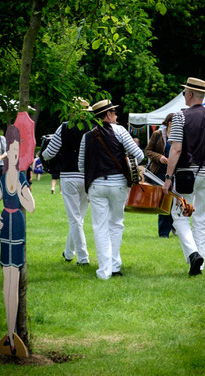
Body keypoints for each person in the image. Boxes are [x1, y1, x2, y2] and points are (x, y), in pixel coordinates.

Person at [162, 77, 205, 276]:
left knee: (179, 216)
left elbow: (176, 149)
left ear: (190, 94)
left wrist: (167, 177)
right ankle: (199, 266)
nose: (183, 96)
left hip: (184, 175)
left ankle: (192, 254)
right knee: (201, 219)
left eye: (184, 93)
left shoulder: (181, 116)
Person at [78, 99, 144, 280]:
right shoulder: (121, 131)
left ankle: (104, 271)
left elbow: (81, 166)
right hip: (118, 185)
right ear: (108, 115)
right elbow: (140, 155)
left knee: (100, 227)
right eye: (114, 113)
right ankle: (114, 267)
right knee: (116, 224)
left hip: (96, 185)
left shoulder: (87, 136)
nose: (116, 116)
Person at [0, 125, 35, 356]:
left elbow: (31, 206)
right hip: (5, 229)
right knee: (6, 281)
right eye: (12, 151)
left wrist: (20, 193)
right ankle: (9, 333)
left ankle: (12, 335)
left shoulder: (19, 177)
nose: (15, 155)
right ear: (7, 152)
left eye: (18, 151)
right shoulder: (2, 177)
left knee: (14, 280)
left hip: (17, 227)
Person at [42, 98, 92, 265]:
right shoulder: (93, 127)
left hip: (69, 175)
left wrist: (42, 157)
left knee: (75, 219)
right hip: (88, 177)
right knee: (79, 217)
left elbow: (50, 152)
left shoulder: (63, 127)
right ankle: (69, 253)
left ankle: (83, 258)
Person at [145, 114, 174, 238]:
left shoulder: (180, 136)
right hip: (160, 172)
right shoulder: (157, 134)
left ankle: (175, 227)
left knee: (175, 203)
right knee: (165, 201)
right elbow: (148, 151)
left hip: (175, 172)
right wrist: (160, 157)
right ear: (169, 123)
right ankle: (163, 233)